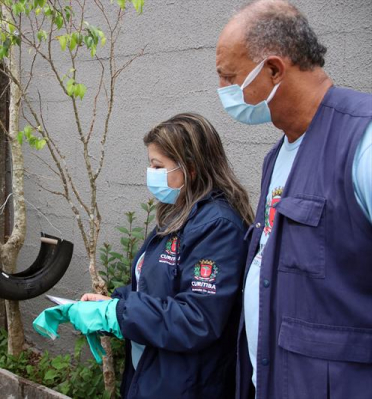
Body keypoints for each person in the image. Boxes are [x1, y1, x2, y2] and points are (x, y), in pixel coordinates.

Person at [34, 113, 253, 398]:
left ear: (191, 168)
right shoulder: (179, 215)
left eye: (157, 165)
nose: (150, 173)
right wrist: (113, 303)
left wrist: (117, 314)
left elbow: (197, 318)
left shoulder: (217, 227)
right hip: (153, 374)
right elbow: (154, 287)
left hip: (187, 384)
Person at [215, 1, 372, 398]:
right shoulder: (278, 156)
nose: (223, 92)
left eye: (229, 77)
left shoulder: (363, 143)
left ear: (272, 70)